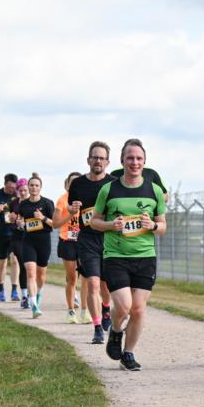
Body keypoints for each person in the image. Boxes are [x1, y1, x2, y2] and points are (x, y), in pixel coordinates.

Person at [89, 138, 167, 370]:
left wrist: (152, 225)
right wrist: (111, 225)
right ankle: (115, 330)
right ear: (122, 161)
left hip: (145, 256)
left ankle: (129, 353)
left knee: (138, 309)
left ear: (144, 162)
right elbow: (94, 222)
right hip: (116, 256)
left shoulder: (154, 191)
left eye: (139, 158)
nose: (135, 162)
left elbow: (162, 226)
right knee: (123, 307)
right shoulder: (109, 189)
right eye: (130, 158)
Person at [69, 141, 116, 344]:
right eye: (95, 157)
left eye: (102, 158)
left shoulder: (114, 183)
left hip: (108, 239)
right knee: (92, 283)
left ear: (107, 162)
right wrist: (73, 209)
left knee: (106, 286)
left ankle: (106, 308)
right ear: (88, 159)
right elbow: (72, 210)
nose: (98, 161)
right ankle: (97, 326)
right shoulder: (78, 184)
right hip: (87, 239)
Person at [14, 173, 56, 319]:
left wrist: (43, 218)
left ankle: (38, 293)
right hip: (28, 241)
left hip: (44, 241)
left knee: (41, 274)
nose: (33, 188)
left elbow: (55, 223)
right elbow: (20, 221)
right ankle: (34, 305)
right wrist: (19, 224)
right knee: (30, 272)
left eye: (36, 185)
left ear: (40, 188)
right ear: (27, 187)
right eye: (31, 185)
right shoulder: (23, 205)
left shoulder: (47, 203)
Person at [54, 172, 85, 323]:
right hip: (67, 241)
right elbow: (55, 224)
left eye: (77, 182)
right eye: (71, 183)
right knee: (72, 278)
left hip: (85, 241)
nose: (74, 185)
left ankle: (85, 311)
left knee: (87, 277)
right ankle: (71, 311)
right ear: (67, 185)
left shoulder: (87, 197)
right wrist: (70, 213)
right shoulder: (62, 200)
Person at [0, 174, 22, 302]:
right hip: (1, 232)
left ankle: (14, 290)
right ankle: (1, 289)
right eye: (10, 187)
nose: (12, 189)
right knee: (3, 261)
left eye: (14, 187)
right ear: (5, 184)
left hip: (15, 232)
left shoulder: (18, 195)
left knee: (15, 260)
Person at [7, 177, 31, 308]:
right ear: (17, 191)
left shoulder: (32, 202)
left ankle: (33, 294)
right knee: (23, 265)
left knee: (32, 267)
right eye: (20, 190)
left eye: (25, 190)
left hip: (30, 236)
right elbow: (9, 219)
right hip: (17, 237)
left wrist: (25, 222)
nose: (22, 193)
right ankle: (24, 296)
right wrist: (12, 219)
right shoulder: (13, 203)